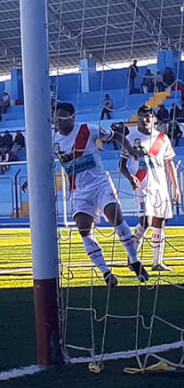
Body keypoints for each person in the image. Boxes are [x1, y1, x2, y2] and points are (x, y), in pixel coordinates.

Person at [50, 102, 148, 285]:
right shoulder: (53, 140)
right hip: (79, 192)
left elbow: (117, 135)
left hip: (101, 184)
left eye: (62, 116)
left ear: (73, 117)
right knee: (84, 230)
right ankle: (106, 273)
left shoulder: (88, 130)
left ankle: (134, 261)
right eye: (56, 117)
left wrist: (131, 149)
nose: (58, 120)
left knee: (116, 218)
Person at [119, 105, 180, 272]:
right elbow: (121, 165)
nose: (145, 119)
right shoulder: (130, 138)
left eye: (148, 116)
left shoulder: (162, 138)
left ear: (154, 119)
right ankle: (132, 258)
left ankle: (157, 262)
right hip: (142, 185)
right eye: (142, 116)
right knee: (146, 221)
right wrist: (130, 177)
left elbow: (169, 164)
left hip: (160, 186)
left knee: (160, 222)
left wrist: (176, 188)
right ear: (137, 118)